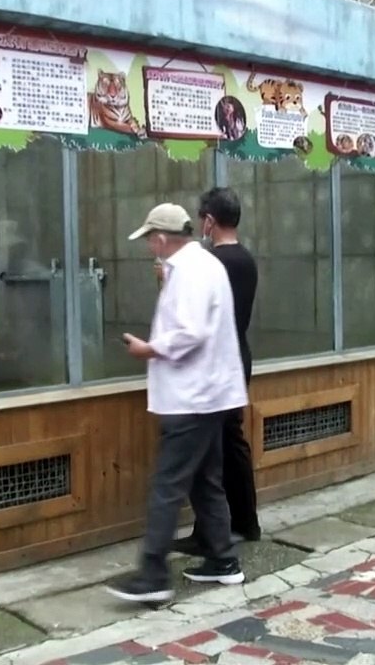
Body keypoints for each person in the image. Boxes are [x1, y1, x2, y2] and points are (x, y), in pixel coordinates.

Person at [107, 203, 249, 603]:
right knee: (206, 480)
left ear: (164, 237)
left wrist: (149, 349)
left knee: (168, 485)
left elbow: (190, 332)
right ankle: (223, 561)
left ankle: (153, 575)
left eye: (151, 238)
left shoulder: (188, 271)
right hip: (210, 394)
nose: (150, 245)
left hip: (192, 397)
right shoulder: (206, 265)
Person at [169, 188, 260, 557]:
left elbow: (194, 319)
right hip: (239, 355)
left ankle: (213, 533)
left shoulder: (213, 264)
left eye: (201, 218)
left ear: (208, 220)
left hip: (218, 362)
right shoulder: (246, 259)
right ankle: (244, 522)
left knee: (212, 451)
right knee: (230, 442)